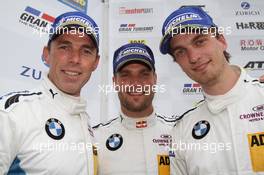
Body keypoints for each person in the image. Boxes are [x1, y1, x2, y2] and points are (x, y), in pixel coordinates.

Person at [160, 6, 264, 174]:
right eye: (181, 51)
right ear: (177, 62)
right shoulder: (182, 131)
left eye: (199, 41)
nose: (193, 57)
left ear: (221, 40)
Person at [0, 11, 100, 174]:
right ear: (46, 54)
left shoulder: (85, 119)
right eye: (64, 47)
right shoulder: (12, 113)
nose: (75, 58)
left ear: (95, 62)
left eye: (86, 51)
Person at [93, 43, 175, 175]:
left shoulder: (179, 132)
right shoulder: (96, 139)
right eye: (126, 75)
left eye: (144, 74)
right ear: (115, 82)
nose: (135, 83)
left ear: (155, 79)